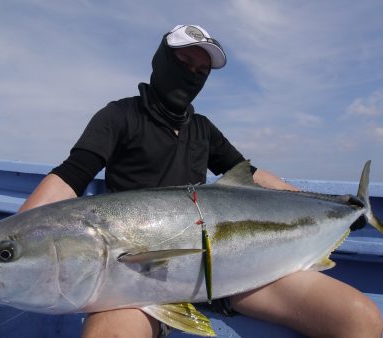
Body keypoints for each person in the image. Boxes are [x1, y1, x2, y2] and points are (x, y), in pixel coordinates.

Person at [20, 25, 382, 338]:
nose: (191, 74)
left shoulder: (203, 128)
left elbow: (249, 176)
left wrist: (332, 203)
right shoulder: (120, 115)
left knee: (359, 318)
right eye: (182, 64)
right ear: (161, 61)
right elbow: (71, 175)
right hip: (137, 278)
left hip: (227, 271)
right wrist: (16, 234)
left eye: (200, 70)